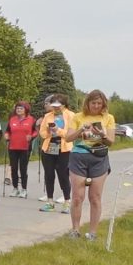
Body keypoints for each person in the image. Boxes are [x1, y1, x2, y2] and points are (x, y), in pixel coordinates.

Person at [65, 90, 115, 240]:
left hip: (99, 157)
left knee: (95, 197)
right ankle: (75, 230)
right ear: (88, 103)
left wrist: (102, 134)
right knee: (77, 197)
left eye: (99, 103)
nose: (96, 106)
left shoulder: (108, 118)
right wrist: (81, 130)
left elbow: (111, 142)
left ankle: (92, 233)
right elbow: (68, 138)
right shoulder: (78, 117)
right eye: (93, 103)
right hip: (79, 156)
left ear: (103, 104)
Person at [38, 96, 75, 213]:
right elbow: (42, 133)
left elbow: (70, 134)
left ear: (64, 105)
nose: (56, 108)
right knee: (49, 174)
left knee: (63, 175)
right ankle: (50, 202)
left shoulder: (71, 115)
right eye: (54, 106)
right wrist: (49, 132)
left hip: (64, 149)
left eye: (58, 106)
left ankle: (67, 202)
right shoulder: (48, 116)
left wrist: (58, 130)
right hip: (49, 148)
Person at [4, 101, 36, 198]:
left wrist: (31, 136)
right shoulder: (12, 119)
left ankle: (24, 189)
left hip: (25, 147)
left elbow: (35, 131)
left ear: (26, 110)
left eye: (21, 108)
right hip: (13, 147)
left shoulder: (31, 119)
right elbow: (7, 131)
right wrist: (6, 135)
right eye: (17, 108)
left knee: (23, 169)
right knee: (13, 168)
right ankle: (15, 188)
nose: (18, 110)